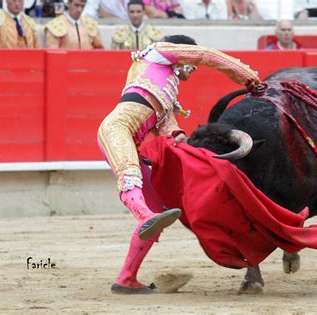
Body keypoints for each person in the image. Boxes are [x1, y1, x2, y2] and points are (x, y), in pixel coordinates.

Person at [98, 34, 262, 294]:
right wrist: (248, 77)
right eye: (190, 61)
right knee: (132, 178)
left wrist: (186, 143)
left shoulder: (165, 95)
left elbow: (168, 129)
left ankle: (127, 278)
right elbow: (208, 56)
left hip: (129, 136)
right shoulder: (159, 51)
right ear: (181, 52)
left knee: (158, 210)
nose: (193, 68)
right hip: (116, 129)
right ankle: (144, 215)